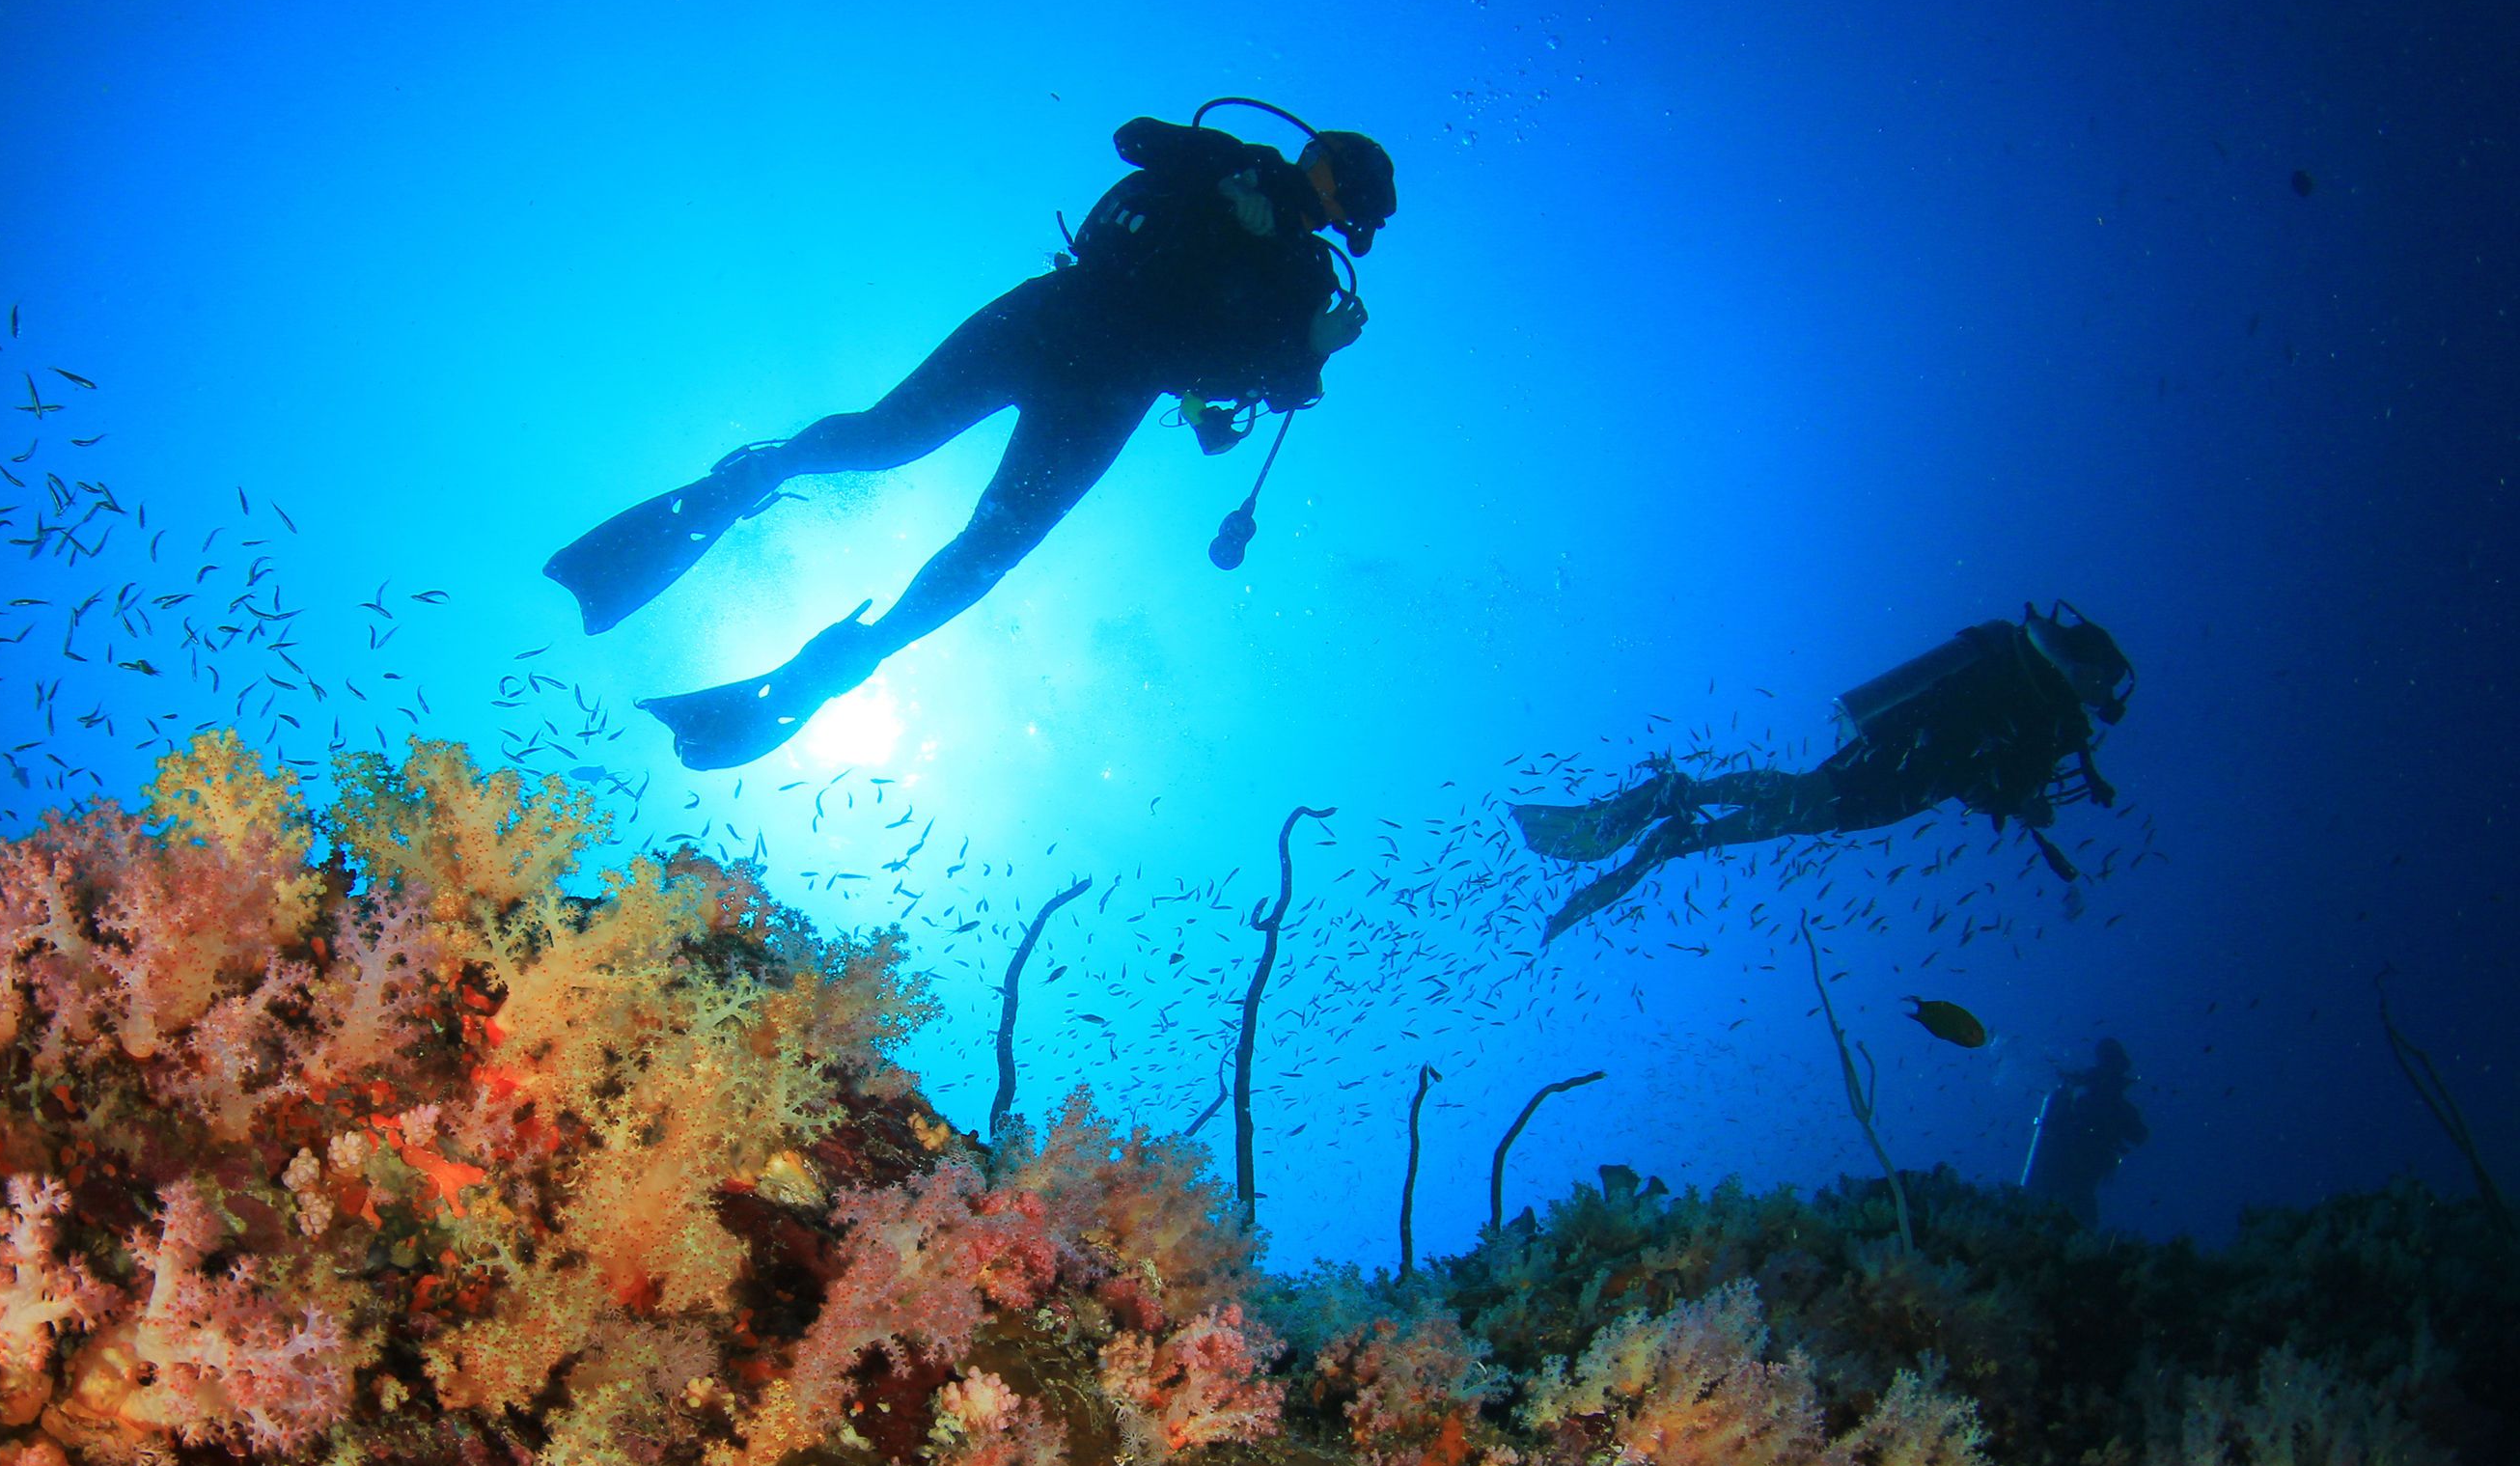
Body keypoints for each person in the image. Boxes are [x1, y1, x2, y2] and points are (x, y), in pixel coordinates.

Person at [545, 103, 1398, 770]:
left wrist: (1316, 351)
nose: (1319, 185)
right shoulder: (1231, 162)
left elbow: (1246, 398)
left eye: (1335, 187)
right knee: (889, 440)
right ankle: (734, 488)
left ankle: (843, 659)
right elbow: (1132, 138)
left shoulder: (1305, 280)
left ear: (1342, 208)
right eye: (1329, 172)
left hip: (1111, 388)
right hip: (1061, 316)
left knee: (993, 542)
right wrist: (1216, 172)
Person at [1515, 603, 2134, 939]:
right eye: (2100, 678)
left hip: (1910, 780)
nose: (2097, 694)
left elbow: (1989, 781)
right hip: (1907, 754)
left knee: (1806, 816)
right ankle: (1686, 800)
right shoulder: (2037, 674)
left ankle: (1686, 832)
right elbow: (2022, 659)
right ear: (2090, 660)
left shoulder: (2044, 712)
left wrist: (2020, 798)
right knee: (1809, 795)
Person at [2019, 1037, 2149, 1226]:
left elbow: (2138, 1135)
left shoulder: (2087, 1092)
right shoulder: (2113, 1104)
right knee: (2079, 1220)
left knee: (2047, 1214)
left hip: (2061, 1168)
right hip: (2079, 1172)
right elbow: (2139, 1136)